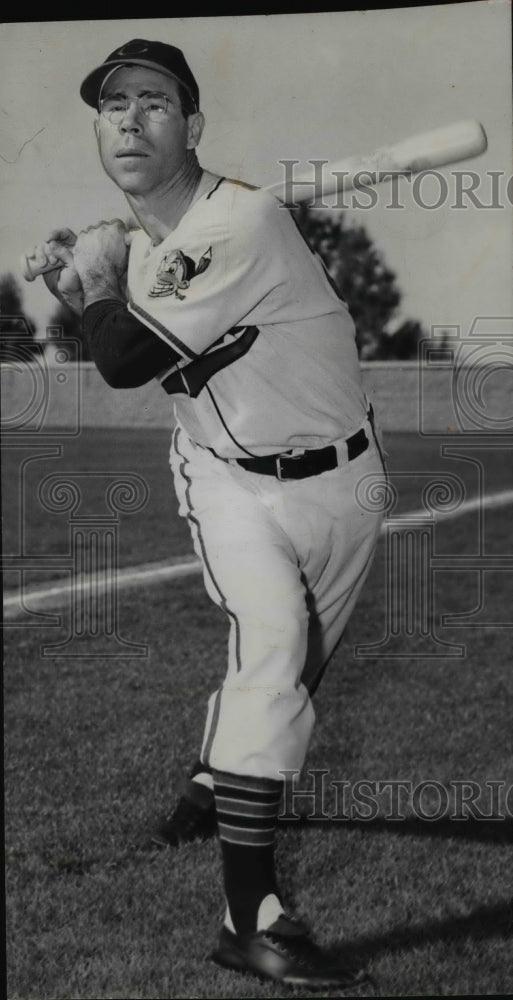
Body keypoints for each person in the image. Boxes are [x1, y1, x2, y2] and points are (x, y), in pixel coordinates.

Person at [24, 39, 387, 989]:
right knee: (269, 651)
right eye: (112, 106)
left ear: (193, 125)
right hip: (228, 480)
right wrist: (84, 278)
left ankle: (209, 781)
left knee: (298, 672)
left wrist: (94, 278)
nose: (131, 119)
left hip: (344, 481)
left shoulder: (244, 220)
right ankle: (250, 916)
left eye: (154, 101)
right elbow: (128, 345)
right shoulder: (149, 247)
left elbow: (125, 346)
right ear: (99, 131)